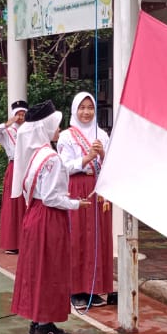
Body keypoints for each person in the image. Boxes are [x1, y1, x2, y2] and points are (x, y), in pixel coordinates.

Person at [10, 101, 91, 334]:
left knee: (37, 268)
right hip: (48, 218)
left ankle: (37, 319)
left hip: (34, 214)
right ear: (45, 127)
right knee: (50, 268)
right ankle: (45, 325)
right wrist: (77, 204)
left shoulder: (35, 154)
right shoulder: (51, 157)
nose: (58, 129)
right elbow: (52, 197)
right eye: (55, 125)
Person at [59, 93, 113, 307]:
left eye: (90, 107)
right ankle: (75, 289)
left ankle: (95, 287)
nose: (86, 112)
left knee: (97, 237)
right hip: (76, 187)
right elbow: (63, 167)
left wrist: (101, 156)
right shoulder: (66, 136)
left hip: (98, 189)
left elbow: (111, 164)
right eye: (81, 107)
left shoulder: (102, 135)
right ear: (74, 110)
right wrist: (87, 158)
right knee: (78, 235)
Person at [0, 101, 28, 254]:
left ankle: (26, 242)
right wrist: (7, 124)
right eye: (18, 114)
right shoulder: (7, 132)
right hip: (14, 166)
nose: (21, 117)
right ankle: (12, 242)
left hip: (28, 168)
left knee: (27, 204)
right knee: (12, 204)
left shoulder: (31, 130)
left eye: (23, 114)